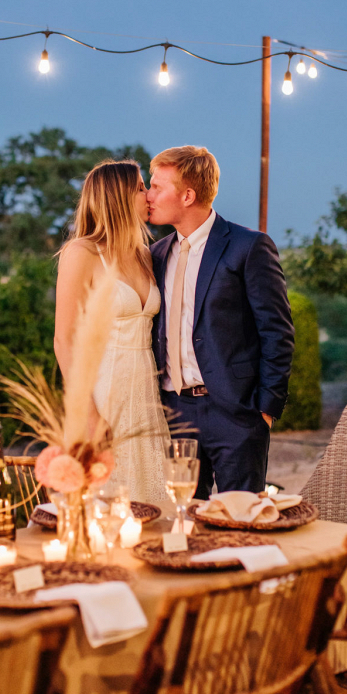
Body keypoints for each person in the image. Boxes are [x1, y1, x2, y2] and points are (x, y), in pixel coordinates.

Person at [147, 146, 294, 498]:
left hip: (236, 415)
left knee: (240, 524)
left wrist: (265, 409)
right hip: (175, 413)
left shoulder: (248, 247)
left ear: (187, 195)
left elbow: (277, 332)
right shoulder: (156, 254)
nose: (148, 195)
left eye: (155, 187)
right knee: (184, 524)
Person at [54, 159, 169, 501]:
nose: (148, 194)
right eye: (139, 188)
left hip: (145, 394)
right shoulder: (82, 252)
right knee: (104, 499)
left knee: (153, 498)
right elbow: (64, 340)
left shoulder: (145, 255)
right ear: (117, 197)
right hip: (103, 391)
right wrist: (89, 414)